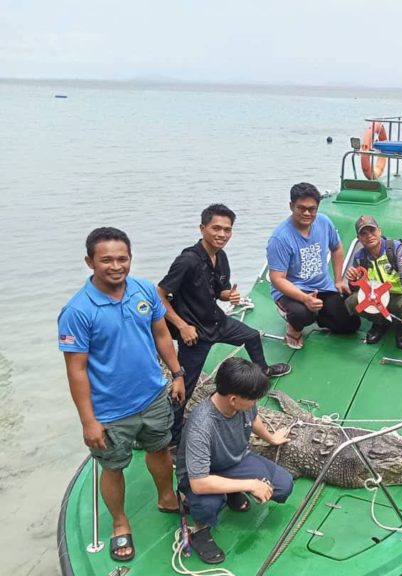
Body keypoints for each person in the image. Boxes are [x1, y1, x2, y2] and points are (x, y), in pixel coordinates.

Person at [58, 227, 185, 562]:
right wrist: (88, 421)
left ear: (130, 257)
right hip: (110, 410)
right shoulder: (78, 311)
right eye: (106, 260)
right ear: (90, 262)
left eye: (122, 258)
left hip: (153, 396)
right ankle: (119, 522)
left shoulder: (143, 289)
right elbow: (76, 371)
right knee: (112, 467)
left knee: (160, 449)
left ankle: (166, 496)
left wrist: (177, 373)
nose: (116, 266)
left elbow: (161, 333)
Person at [159, 204, 291, 448]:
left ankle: (262, 371)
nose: (222, 234)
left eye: (227, 230)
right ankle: (173, 438)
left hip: (216, 320)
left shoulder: (220, 256)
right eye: (216, 228)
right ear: (202, 228)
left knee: (251, 335)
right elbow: (159, 294)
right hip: (194, 333)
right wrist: (182, 325)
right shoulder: (187, 260)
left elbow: (218, 291)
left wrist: (227, 296)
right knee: (184, 389)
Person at [176, 357, 294, 564]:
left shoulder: (243, 402)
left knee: (283, 486)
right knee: (207, 505)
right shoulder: (201, 425)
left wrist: (271, 438)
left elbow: (253, 418)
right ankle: (199, 532)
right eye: (253, 399)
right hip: (203, 475)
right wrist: (250, 484)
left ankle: (231, 490)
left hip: (235, 460)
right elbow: (199, 482)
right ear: (233, 399)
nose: (255, 403)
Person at [267, 182, 360, 348]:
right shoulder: (280, 238)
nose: (307, 213)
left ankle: (320, 314)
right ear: (291, 206)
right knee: (303, 314)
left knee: (350, 325)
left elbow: (337, 247)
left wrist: (338, 280)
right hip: (293, 290)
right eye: (301, 208)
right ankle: (293, 327)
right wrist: (304, 298)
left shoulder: (324, 222)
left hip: (321, 286)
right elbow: (277, 278)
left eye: (312, 209)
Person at [344, 215, 402, 349]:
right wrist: (353, 279)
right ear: (359, 239)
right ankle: (380, 322)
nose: (369, 236)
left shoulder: (395, 248)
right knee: (353, 301)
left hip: (400, 295)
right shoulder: (360, 257)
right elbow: (358, 289)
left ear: (379, 231)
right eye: (363, 233)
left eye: (372, 231)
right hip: (378, 297)